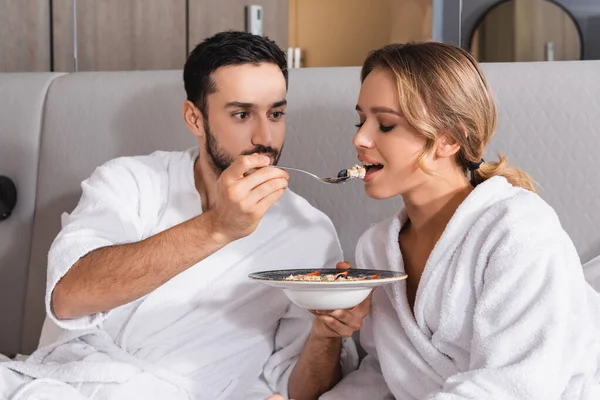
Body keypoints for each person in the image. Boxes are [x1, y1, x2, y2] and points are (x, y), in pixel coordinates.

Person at [0, 31, 369, 400]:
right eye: (242, 114)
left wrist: (326, 336)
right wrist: (216, 227)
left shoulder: (308, 232)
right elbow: (68, 297)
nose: (265, 137)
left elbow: (298, 390)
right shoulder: (130, 182)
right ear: (195, 118)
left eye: (275, 113)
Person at [319, 42, 600, 399]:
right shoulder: (376, 248)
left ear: (448, 139)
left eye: (385, 125)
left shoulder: (518, 229)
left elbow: (517, 386)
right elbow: (386, 375)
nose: (359, 138)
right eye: (361, 120)